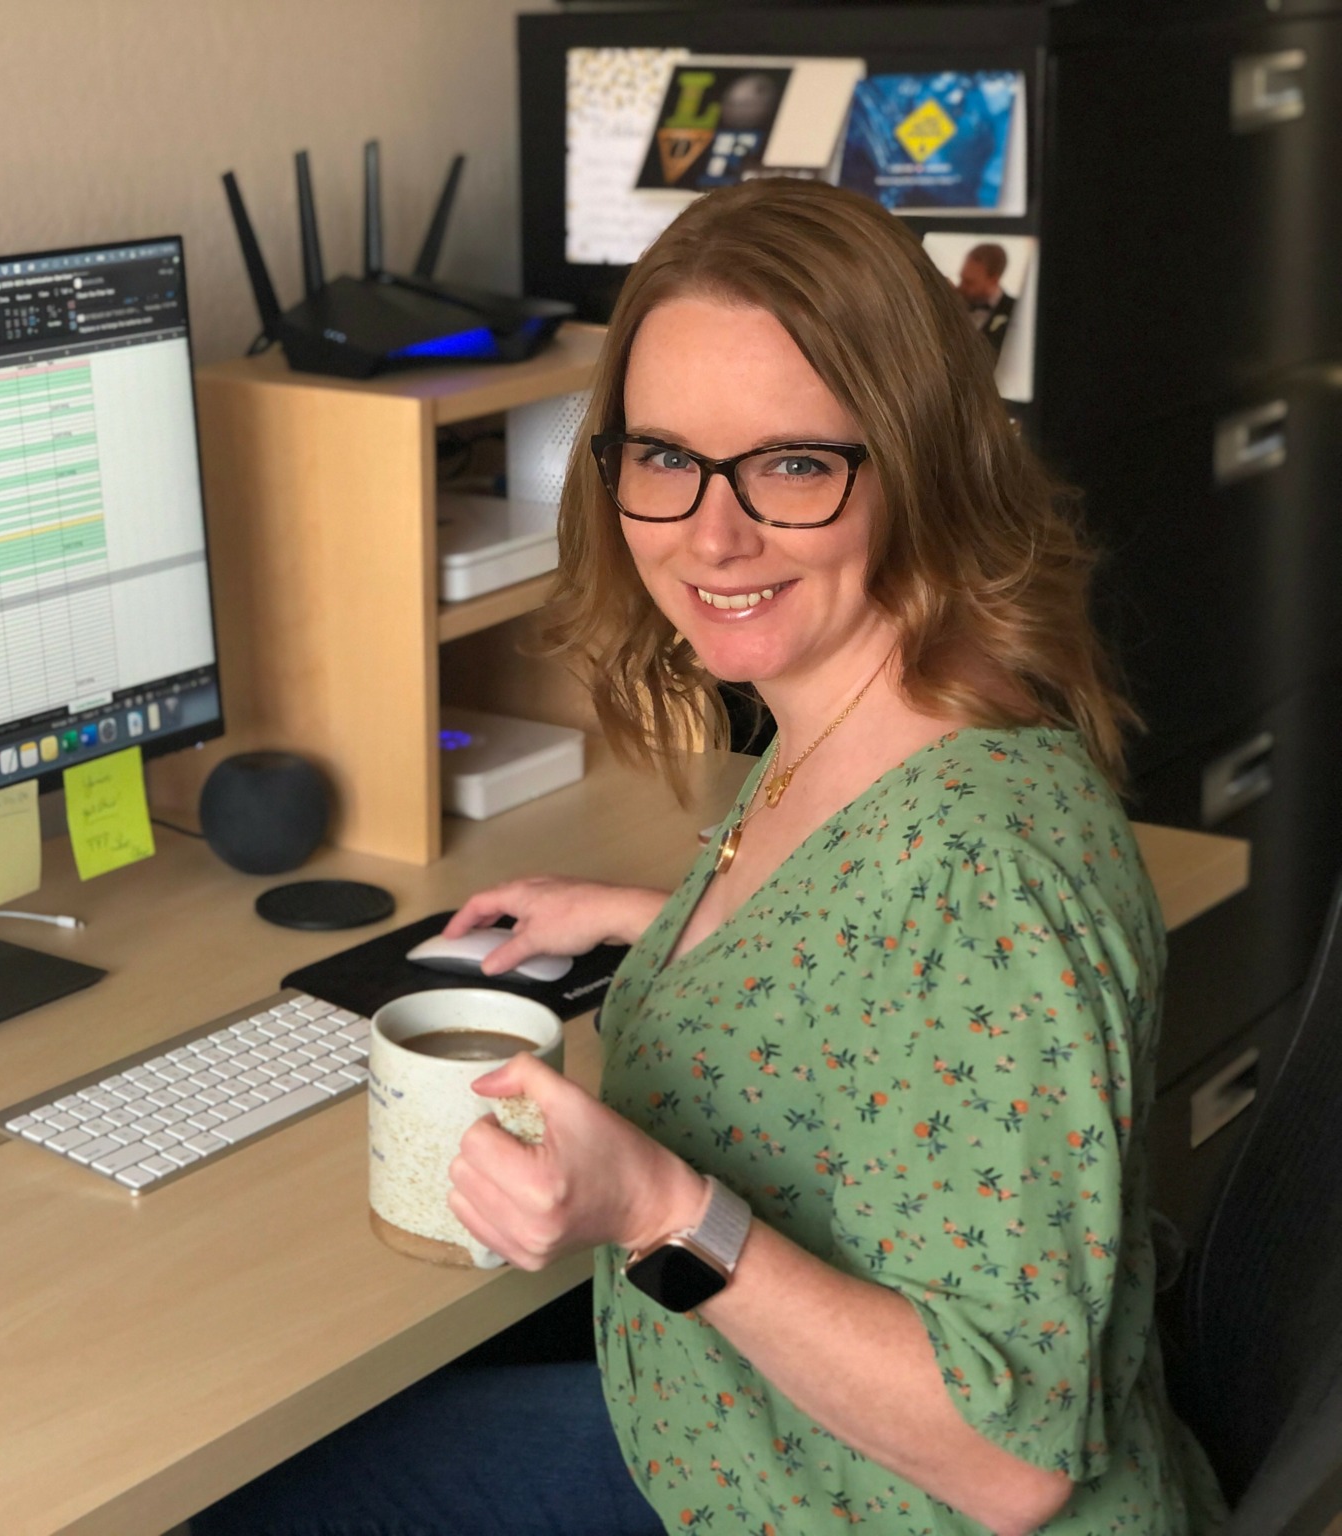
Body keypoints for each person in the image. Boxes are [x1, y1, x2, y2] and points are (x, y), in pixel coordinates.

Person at [192, 178, 1229, 1536]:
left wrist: (656, 1210)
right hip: (739, 1439)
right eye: (665, 457)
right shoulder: (859, 730)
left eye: (792, 465)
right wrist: (663, 917)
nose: (709, 534)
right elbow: (880, 970)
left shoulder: (983, 878)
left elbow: (1008, 1465)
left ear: (917, 462)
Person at [957, 241, 1016, 355]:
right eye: (961, 278)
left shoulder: (1016, 312)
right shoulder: (957, 302)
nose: (961, 287)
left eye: (969, 283)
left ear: (993, 281)